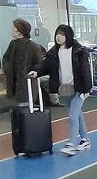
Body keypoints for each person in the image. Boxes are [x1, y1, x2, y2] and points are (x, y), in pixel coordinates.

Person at [29, 24, 92, 156]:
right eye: (57, 34)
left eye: (62, 34)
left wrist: (87, 89)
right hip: (65, 89)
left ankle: (72, 144)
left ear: (68, 35)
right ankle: (85, 140)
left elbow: (85, 70)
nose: (59, 37)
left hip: (79, 88)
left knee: (72, 116)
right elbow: (46, 65)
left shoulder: (79, 51)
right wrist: (37, 72)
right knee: (77, 114)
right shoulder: (54, 52)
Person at [0, 19, 45, 104]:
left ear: (19, 32)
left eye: (13, 29)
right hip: (27, 82)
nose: (11, 31)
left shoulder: (14, 45)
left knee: (20, 105)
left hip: (19, 82)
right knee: (26, 104)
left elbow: (6, 60)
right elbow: (39, 63)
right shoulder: (33, 46)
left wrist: (8, 71)